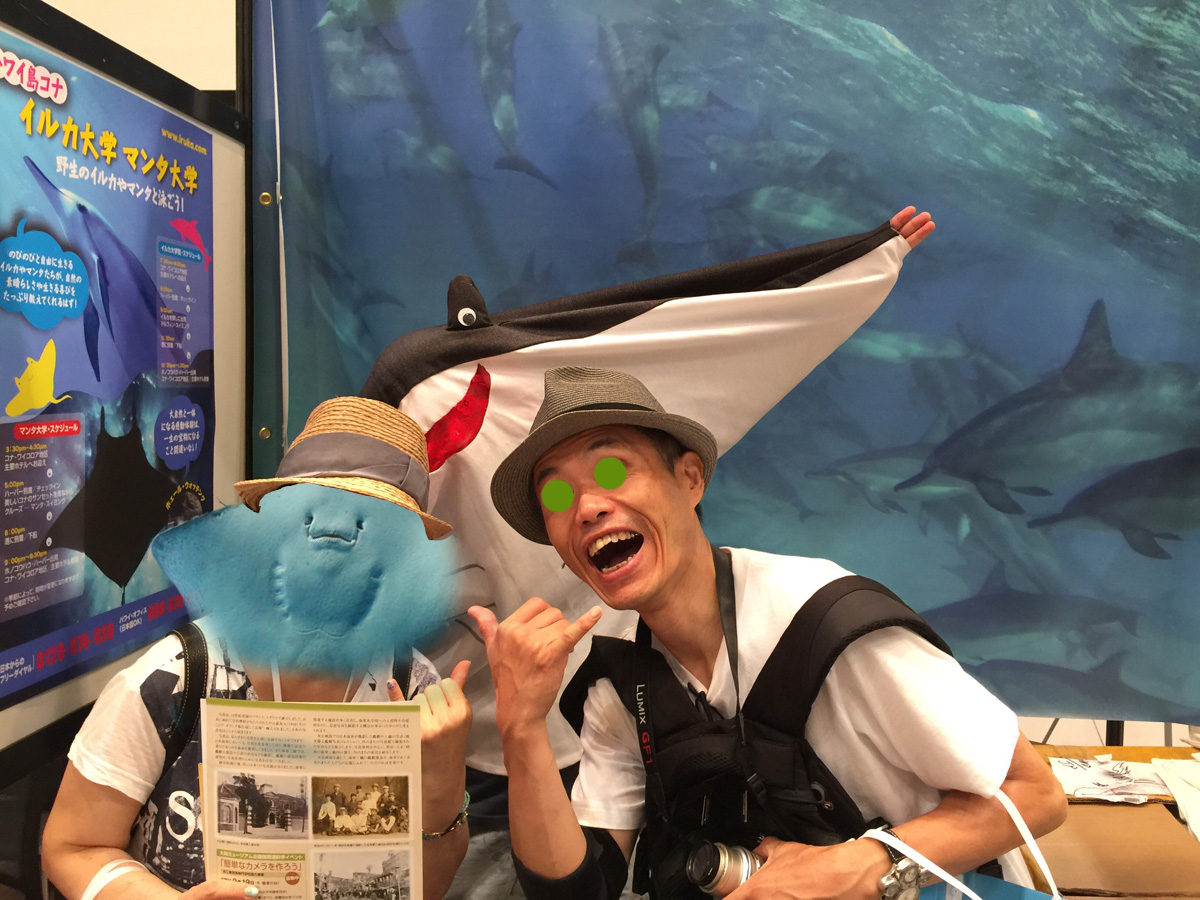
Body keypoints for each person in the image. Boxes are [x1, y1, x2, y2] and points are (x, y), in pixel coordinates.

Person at [469, 293, 1068, 896]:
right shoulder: (625, 684)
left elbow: (1036, 794)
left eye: (611, 470)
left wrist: (863, 866)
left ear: (690, 478)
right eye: (555, 496)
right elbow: (579, 889)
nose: (586, 506)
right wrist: (521, 728)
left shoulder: (827, 624)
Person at [41, 398, 474, 900]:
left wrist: (441, 779)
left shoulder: (413, 687)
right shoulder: (176, 678)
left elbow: (425, 886)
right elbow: (73, 846)